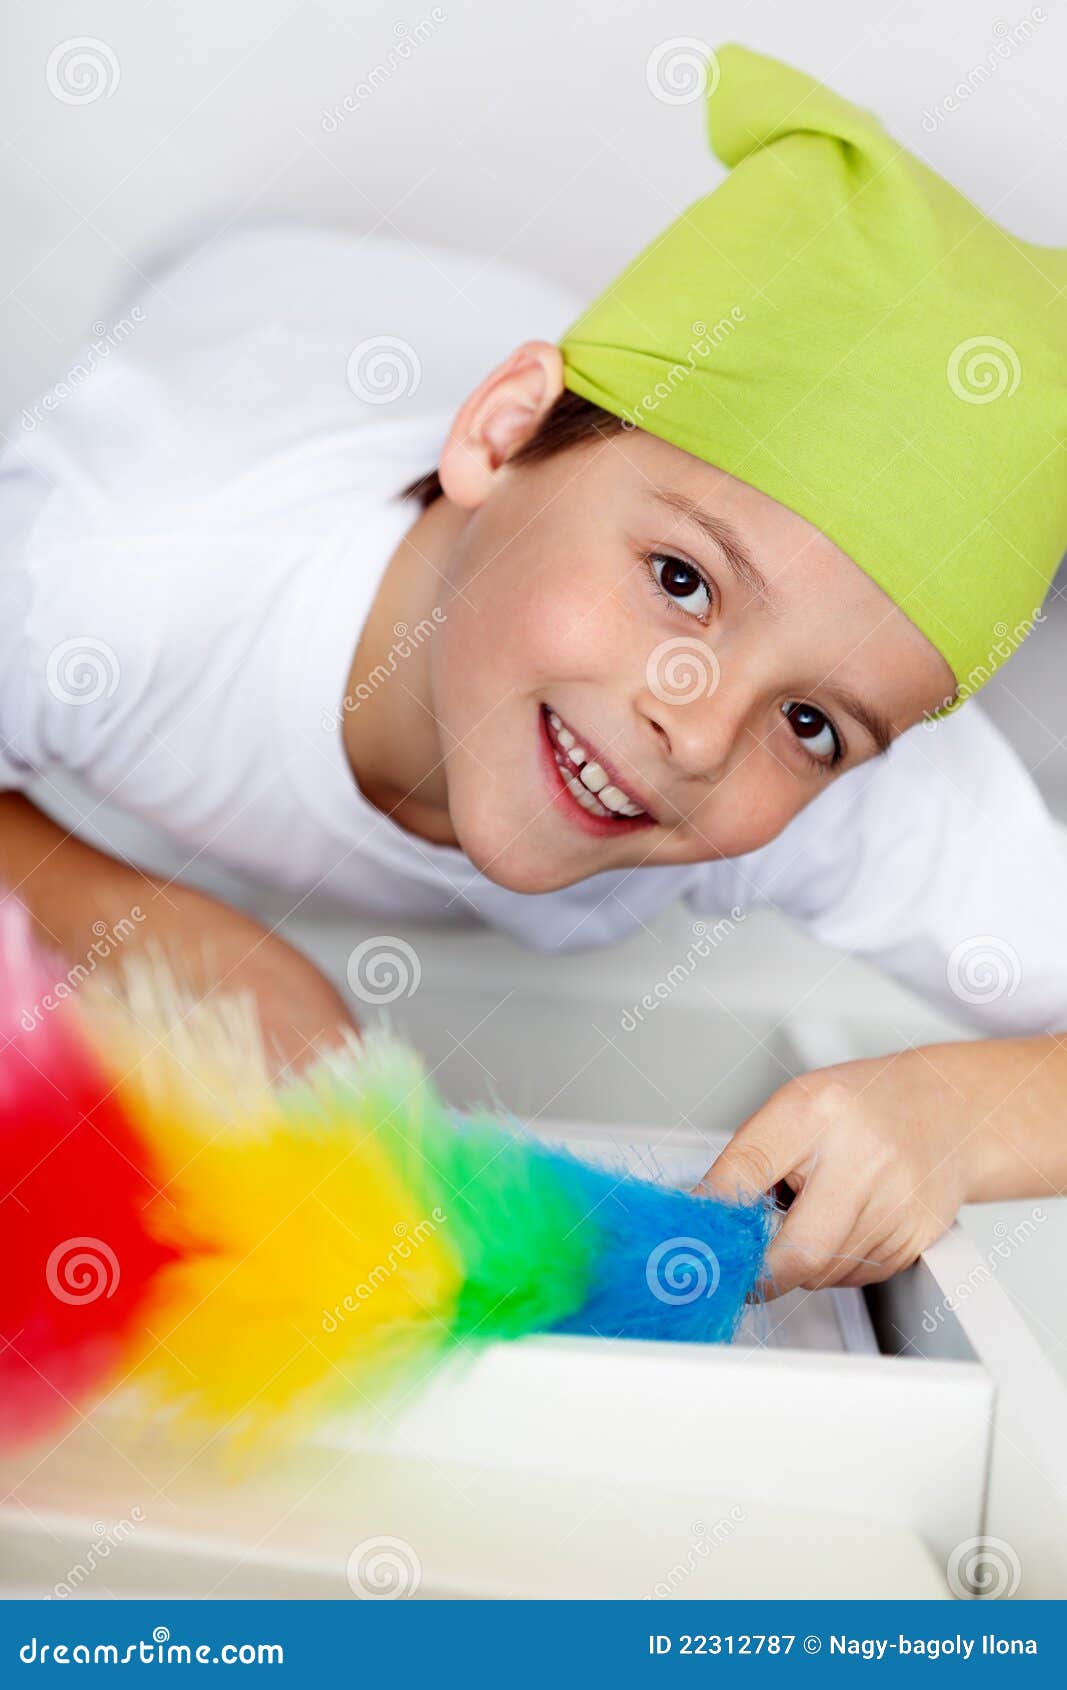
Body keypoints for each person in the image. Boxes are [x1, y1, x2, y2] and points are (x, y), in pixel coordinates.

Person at [1, 46, 1064, 1297]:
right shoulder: (117, 565)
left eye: (813, 722)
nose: (701, 730)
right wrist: (157, 933)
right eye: (682, 581)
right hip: (251, 284)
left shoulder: (845, 789)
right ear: (499, 433)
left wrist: (962, 1108)